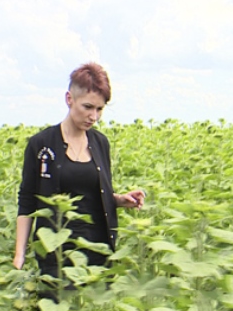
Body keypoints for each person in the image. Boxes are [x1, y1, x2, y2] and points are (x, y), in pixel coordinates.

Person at [13, 63, 145, 282]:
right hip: (56, 253)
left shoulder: (100, 143)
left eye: (100, 109)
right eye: (87, 107)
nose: (93, 116)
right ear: (69, 99)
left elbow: (94, 194)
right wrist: (19, 256)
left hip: (98, 251)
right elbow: (27, 201)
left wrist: (120, 200)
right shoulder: (41, 144)